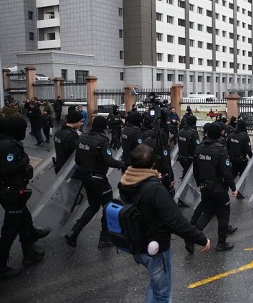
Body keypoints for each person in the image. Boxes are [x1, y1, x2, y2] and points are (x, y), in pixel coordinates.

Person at [118, 144, 210, 302]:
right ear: (153, 164)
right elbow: (175, 221)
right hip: (155, 247)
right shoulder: (155, 189)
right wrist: (201, 239)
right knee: (163, 293)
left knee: (156, 285)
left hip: (136, 242)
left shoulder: (126, 182)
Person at [0, 117, 49, 279]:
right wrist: (25, 161)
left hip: (7, 190)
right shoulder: (10, 146)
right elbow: (7, 169)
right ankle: (0, 266)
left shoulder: (1, 142)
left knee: (24, 219)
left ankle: (29, 250)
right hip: (11, 190)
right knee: (10, 230)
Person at [65, 116, 126, 249]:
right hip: (99, 179)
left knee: (93, 206)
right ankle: (104, 238)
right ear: (104, 127)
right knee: (108, 207)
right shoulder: (102, 141)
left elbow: (77, 159)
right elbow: (109, 161)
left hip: (86, 177)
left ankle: (74, 231)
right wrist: (123, 164)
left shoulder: (82, 138)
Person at [190, 123, 238, 252]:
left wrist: (199, 183)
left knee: (207, 212)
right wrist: (233, 188)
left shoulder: (199, 148)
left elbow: (195, 169)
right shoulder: (220, 149)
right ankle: (221, 243)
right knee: (223, 214)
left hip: (205, 187)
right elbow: (227, 172)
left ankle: (191, 237)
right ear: (219, 134)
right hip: (218, 188)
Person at [227, 120, 253, 200]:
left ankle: (224, 190)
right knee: (243, 177)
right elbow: (248, 149)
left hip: (233, 160)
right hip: (242, 161)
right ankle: (239, 193)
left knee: (231, 176)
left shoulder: (231, 135)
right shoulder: (244, 136)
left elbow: (227, 147)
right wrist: (252, 158)